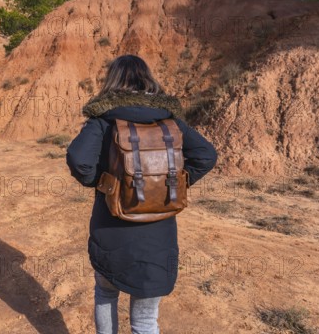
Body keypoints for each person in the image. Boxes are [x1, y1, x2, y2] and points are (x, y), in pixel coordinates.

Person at [66, 54, 218, 334]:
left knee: (106, 294)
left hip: (112, 228)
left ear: (112, 81)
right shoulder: (170, 122)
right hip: (157, 235)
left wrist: (104, 184)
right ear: (148, 79)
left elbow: (79, 160)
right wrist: (169, 185)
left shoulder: (103, 120)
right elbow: (206, 155)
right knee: (146, 320)